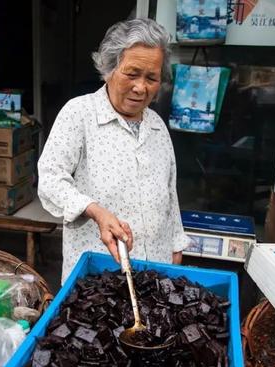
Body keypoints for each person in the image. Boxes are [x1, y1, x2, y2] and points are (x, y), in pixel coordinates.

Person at [38, 18, 190, 282]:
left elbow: (169, 192)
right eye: (132, 74)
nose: (141, 87)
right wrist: (95, 210)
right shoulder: (79, 114)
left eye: (151, 78)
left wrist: (176, 244)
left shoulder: (157, 126)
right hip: (98, 274)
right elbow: (50, 179)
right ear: (109, 69)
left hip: (154, 268)